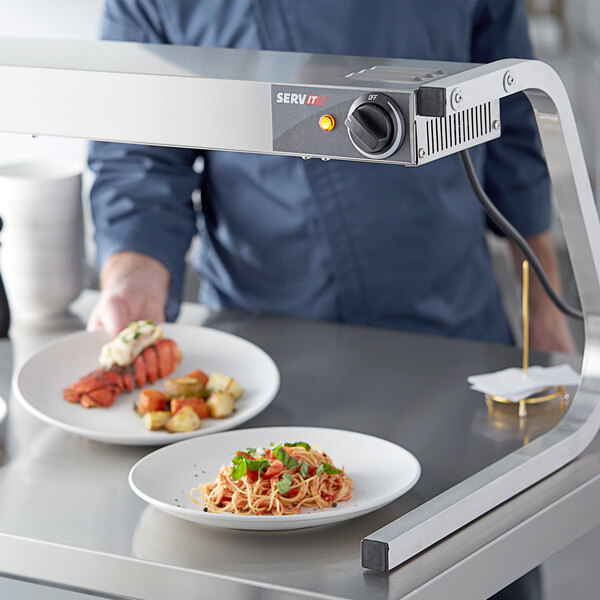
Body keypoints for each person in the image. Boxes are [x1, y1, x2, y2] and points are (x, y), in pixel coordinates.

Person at [88, 3, 573, 596]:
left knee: (481, 564)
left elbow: (515, 115)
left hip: (451, 336)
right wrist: (132, 274)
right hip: (271, 353)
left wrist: (544, 302)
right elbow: (139, 153)